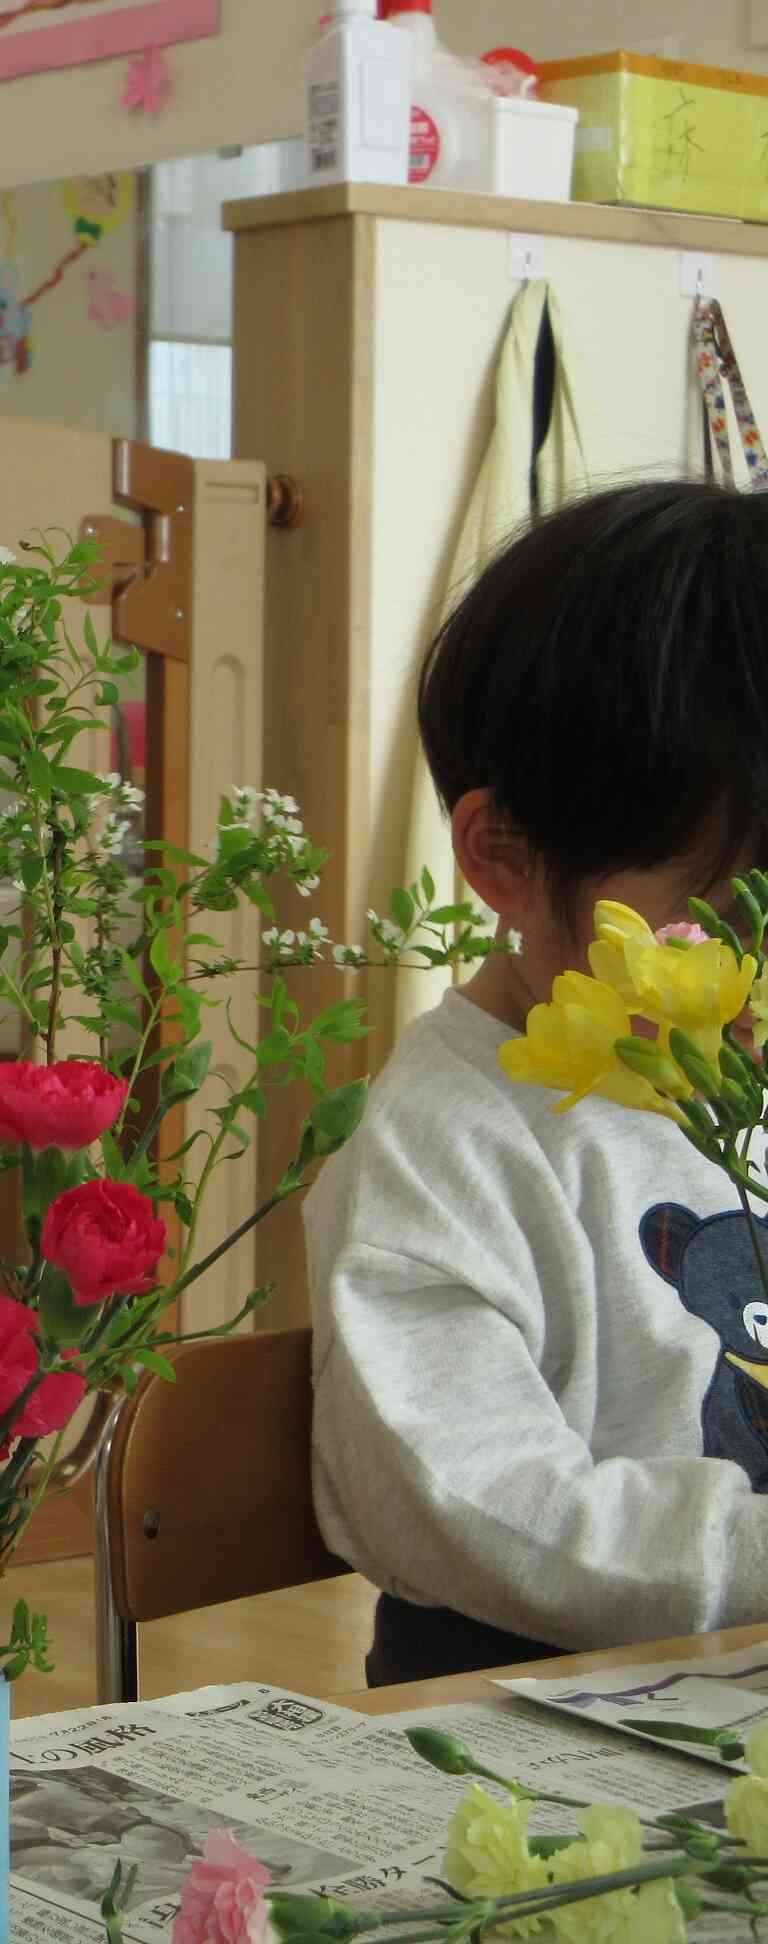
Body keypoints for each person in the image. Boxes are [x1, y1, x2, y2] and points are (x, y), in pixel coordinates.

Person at [308, 480, 768, 1687]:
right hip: (535, 1745)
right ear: (504, 858)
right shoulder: (444, 1146)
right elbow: (473, 1502)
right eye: (731, 917)